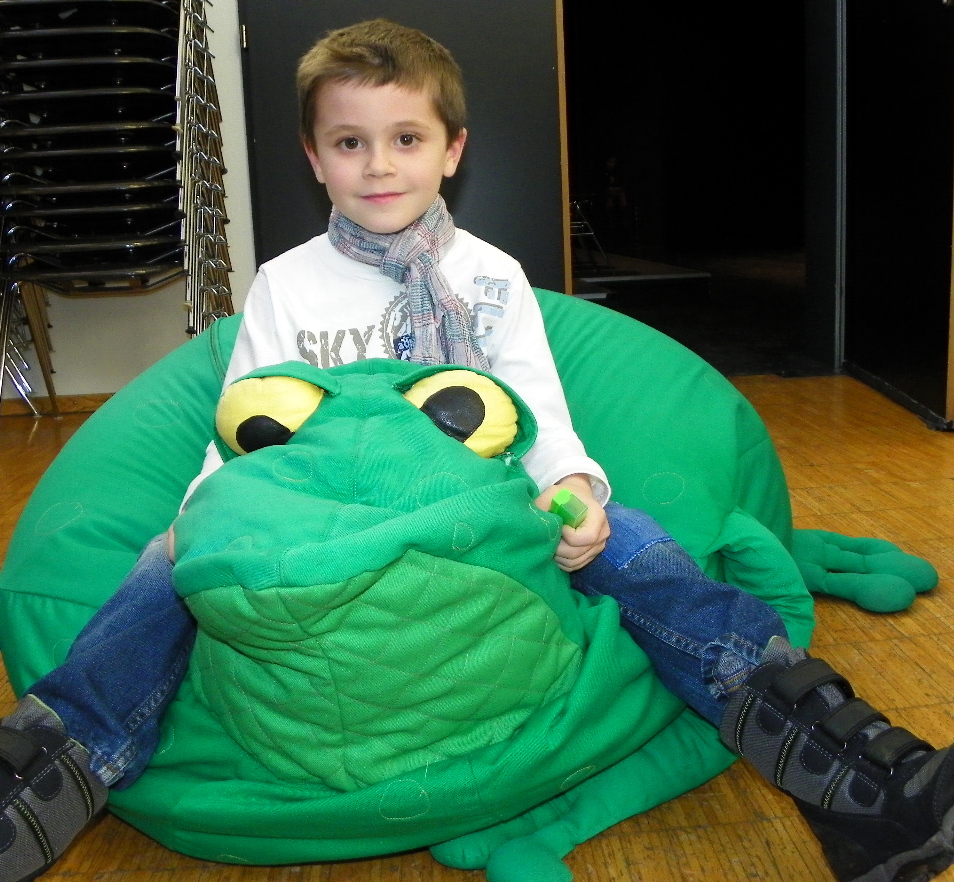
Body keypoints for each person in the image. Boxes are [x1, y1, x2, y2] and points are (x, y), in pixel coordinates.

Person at [0, 19, 951, 882]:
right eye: (349, 142)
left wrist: (576, 491)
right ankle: (54, 765)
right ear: (314, 157)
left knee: (640, 545)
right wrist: (196, 524)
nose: (379, 165)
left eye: (406, 139)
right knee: (159, 572)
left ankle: (843, 764)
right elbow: (245, 427)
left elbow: (538, 412)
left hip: (480, 508)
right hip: (316, 520)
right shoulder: (286, 285)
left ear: (451, 150)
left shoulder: (491, 277)